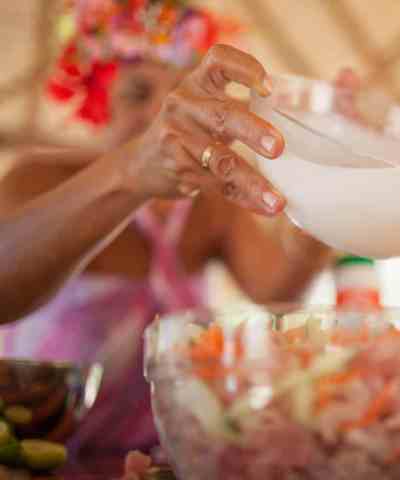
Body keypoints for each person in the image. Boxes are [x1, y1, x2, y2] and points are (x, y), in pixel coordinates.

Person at [0, 1, 333, 456]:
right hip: (37, 455)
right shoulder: (40, 180)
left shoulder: (212, 207)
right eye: (138, 94)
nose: (161, 115)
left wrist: (329, 195)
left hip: (164, 459)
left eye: (181, 96)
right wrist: (133, 171)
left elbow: (278, 289)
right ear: (101, 104)